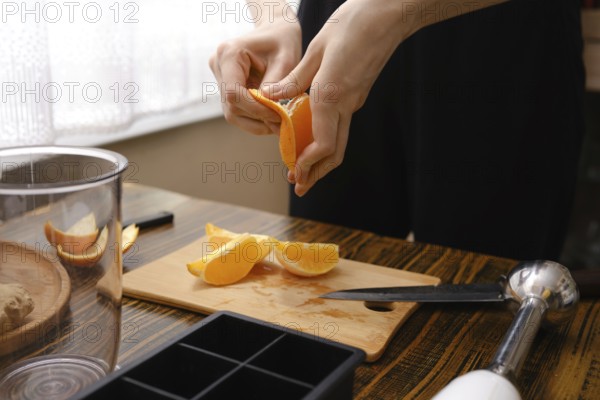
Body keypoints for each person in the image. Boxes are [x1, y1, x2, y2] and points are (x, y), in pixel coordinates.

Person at [209, 0, 584, 261]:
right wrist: (275, 16)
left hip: (502, 38)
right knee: (323, 287)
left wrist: (392, 9)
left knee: (485, 305)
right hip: (338, 28)